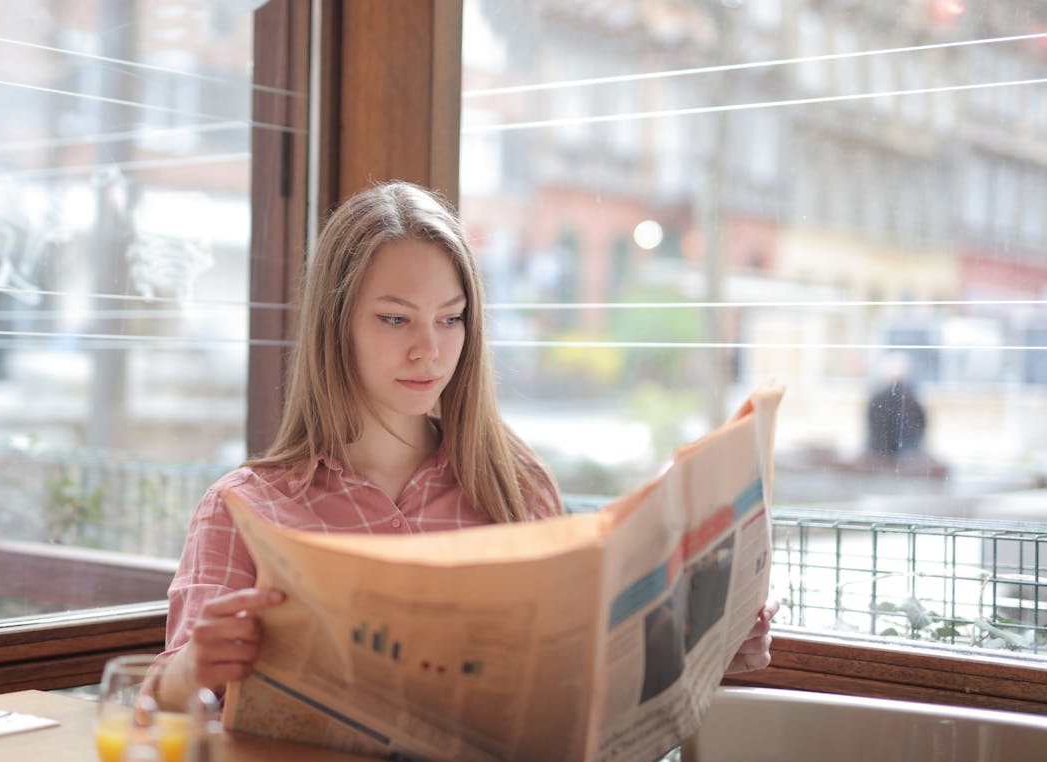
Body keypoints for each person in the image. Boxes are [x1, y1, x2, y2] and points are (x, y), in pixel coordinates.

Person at [156, 181, 778, 713]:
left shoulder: (514, 489)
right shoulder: (243, 509)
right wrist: (191, 671)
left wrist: (710, 645)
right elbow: (162, 707)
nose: (429, 348)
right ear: (334, 325)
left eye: (450, 318)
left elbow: (585, 684)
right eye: (395, 319)